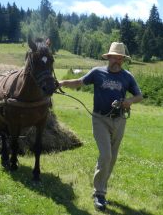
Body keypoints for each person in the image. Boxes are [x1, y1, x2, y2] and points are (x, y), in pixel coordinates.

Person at [59, 42, 143, 211]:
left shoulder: (128, 76)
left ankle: (101, 188)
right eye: (114, 57)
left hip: (119, 120)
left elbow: (139, 95)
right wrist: (62, 83)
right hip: (100, 119)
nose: (117, 61)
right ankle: (99, 193)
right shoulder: (97, 73)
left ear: (123, 60)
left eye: (120, 58)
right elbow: (79, 82)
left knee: (111, 158)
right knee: (105, 155)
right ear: (108, 57)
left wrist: (129, 101)